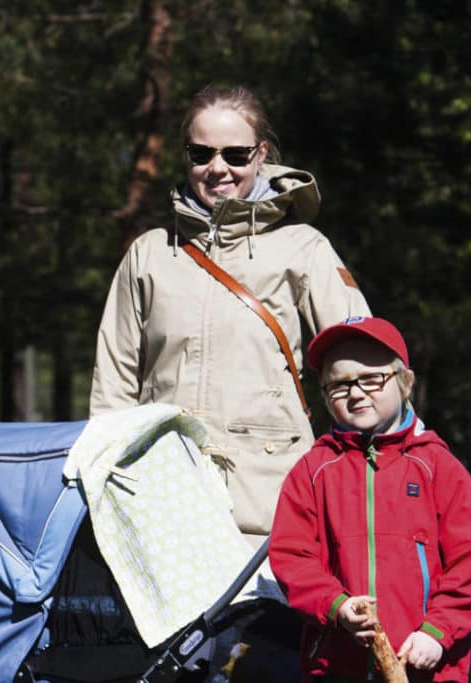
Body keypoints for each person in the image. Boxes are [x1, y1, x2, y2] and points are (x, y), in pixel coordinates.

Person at [89, 85, 370, 545]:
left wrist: (385, 466)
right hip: (160, 504)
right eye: (201, 153)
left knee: (263, 620)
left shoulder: (304, 249)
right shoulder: (149, 255)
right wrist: (105, 483)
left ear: (261, 155)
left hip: (272, 509)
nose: (217, 168)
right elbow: (113, 388)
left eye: (235, 154)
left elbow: (361, 364)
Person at [268, 316, 471, 683]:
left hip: (428, 665)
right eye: (340, 385)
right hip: (336, 667)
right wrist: (336, 606)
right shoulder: (313, 471)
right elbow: (292, 556)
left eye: (371, 379)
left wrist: (438, 631)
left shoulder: (439, 466)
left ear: (404, 383)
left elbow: (470, 564)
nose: (356, 393)